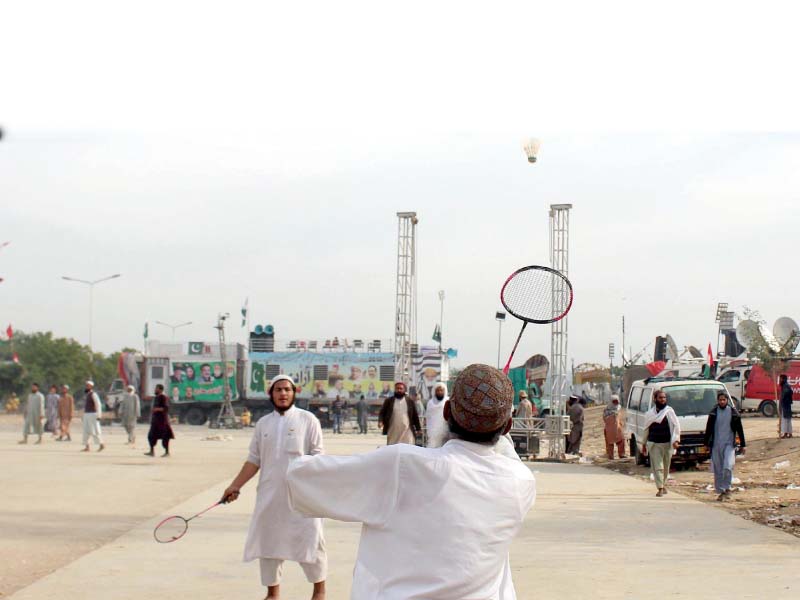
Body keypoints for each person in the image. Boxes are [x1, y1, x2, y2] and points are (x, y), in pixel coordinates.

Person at [286, 363, 536, 599]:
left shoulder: (402, 465)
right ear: (508, 427)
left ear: (447, 411)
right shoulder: (521, 483)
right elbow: (506, 454)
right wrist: (492, 415)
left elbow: (300, 477)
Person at [222, 375, 327, 600]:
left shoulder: (308, 420)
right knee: (268, 542)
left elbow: (318, 457)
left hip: (302, 497)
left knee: (310, 540)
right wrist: (235, 485)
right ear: (271, 394)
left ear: (294, 392)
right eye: (278, 390)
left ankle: (319, 591)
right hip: (270, 495)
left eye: (287, 390)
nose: (283, 394)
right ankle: (272, 593)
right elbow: (254, 459)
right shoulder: (263, 424)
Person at [704, 392, 746, 501]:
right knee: (718, 468)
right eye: (720, 400)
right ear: (717, 401)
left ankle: (727, 487)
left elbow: (739, 429)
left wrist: (743, 444)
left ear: (727, 400)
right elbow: (708, 429)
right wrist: (706, 444)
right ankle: (721, 491)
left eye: (724, 400)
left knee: (728, 466)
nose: (722, 402)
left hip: (729, 444)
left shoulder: (733, 413)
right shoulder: (713, 413)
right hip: (716, 444)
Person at [641, 390, 681, 497]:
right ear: (655, 399)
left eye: (664, 398)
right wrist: (643, 444)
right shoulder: (650, 414)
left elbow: (676, 426)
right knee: (658, 467)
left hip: (667, 444)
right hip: (654, 444)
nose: (663, 400)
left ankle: (663, 484)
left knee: (666, 467)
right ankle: (660, 487)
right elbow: (646, 429)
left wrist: (676, 440)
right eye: (660, 398)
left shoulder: (669, 412)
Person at [144, 384, 174, 457]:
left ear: (160, 389)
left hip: (163, 421)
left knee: (165, 437)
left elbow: (166, 408)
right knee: (151, 436)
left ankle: (167, 452)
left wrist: (157, 409)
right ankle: (151, 451)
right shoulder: (156, 397)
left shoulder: (163, 397)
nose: (155, 390)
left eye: (156, 388)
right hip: (155, 421)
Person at [81, 381, 105, 452]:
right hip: (87, 414)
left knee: (94, 430)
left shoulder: (93, 394)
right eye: (86, 385)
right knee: (86, 431)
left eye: (88, 386)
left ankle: (101, 444)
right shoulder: (87, 395)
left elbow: (98, 405)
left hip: (93, 414)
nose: (87, 387)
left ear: (91, 387)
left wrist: (99, 415)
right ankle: (87, 446)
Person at [424, 382, 449, 447]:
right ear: (434, 391)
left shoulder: (448, 401)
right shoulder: (430, 403)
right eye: (438, 390)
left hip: (445, 430)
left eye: (441, 390)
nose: (440, 392)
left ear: (444, 391)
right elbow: (428, 417)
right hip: (432, 430)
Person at [603, 395, 626, 459]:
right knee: (609, 443)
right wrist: (612, 418)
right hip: (609, 428)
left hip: (618, 427)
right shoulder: (607, 409)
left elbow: (620, 417)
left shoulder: (618, 407)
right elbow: (604, 419)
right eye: (614, 402)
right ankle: (610, 455)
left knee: (621, 440)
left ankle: (621, 454)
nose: (615, 403)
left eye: (616, 401)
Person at [779, 374, 794, 438]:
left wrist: (782, 400)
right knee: (788, 419)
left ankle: (785, 433)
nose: (780, 380)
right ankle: (790, 433)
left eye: (781, 379)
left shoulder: (785, 386)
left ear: (784, 379)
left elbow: (786, 394)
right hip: (787, 405)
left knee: (785, 420)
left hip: (785, 405)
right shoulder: (786, 385)